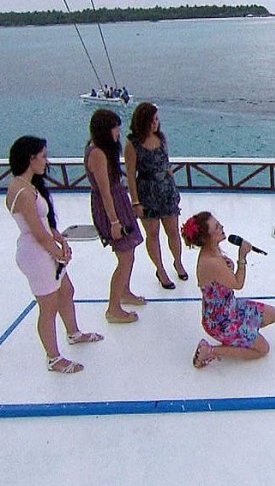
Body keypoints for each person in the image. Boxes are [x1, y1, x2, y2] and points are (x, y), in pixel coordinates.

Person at [6, 136, 103, 373]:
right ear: (31, 159)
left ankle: (73, 332)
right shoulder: (23, 192)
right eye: (43, 156)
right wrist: (58, 253)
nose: (46, 161)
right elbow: (38, 233)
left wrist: (60, 239)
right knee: (47, 307)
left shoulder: (28, 186)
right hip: (36, 255)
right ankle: (53, 358)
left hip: (44, 250)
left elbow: (44, 225)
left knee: (66, 290)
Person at [181, 212, 275, 368]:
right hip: (221, 321)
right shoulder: (211, 261)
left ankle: (243, 336)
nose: (221, 227)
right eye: (216, 227)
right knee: (263, 350)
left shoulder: (214, 250)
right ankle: (211, 351)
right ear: (207, 237)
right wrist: (242, 258)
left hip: (231, 307)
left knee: (273, 314)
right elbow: (237, 284)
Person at [85, 109, 145, 323]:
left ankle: (124, 291)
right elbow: (104, 191)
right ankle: (113, 308)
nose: (118, 132)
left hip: (119, 201)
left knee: (129, 253)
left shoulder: (98, 149)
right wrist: (114, 221)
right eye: (115, 128)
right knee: (124, 256)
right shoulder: (98, 154)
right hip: (112, 206)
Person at [124, 102, 186, 290]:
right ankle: (160, 269)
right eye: (151, 121)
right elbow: (130, 175)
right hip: (146, 191)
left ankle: (178, 261)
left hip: (166, 189)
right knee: (153, 233)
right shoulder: (132, 144)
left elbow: (165, 161)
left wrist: (168, 174)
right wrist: (135, 202)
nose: (155, 124)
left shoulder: (161, 138)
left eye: (157, 120)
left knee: (173, 231)